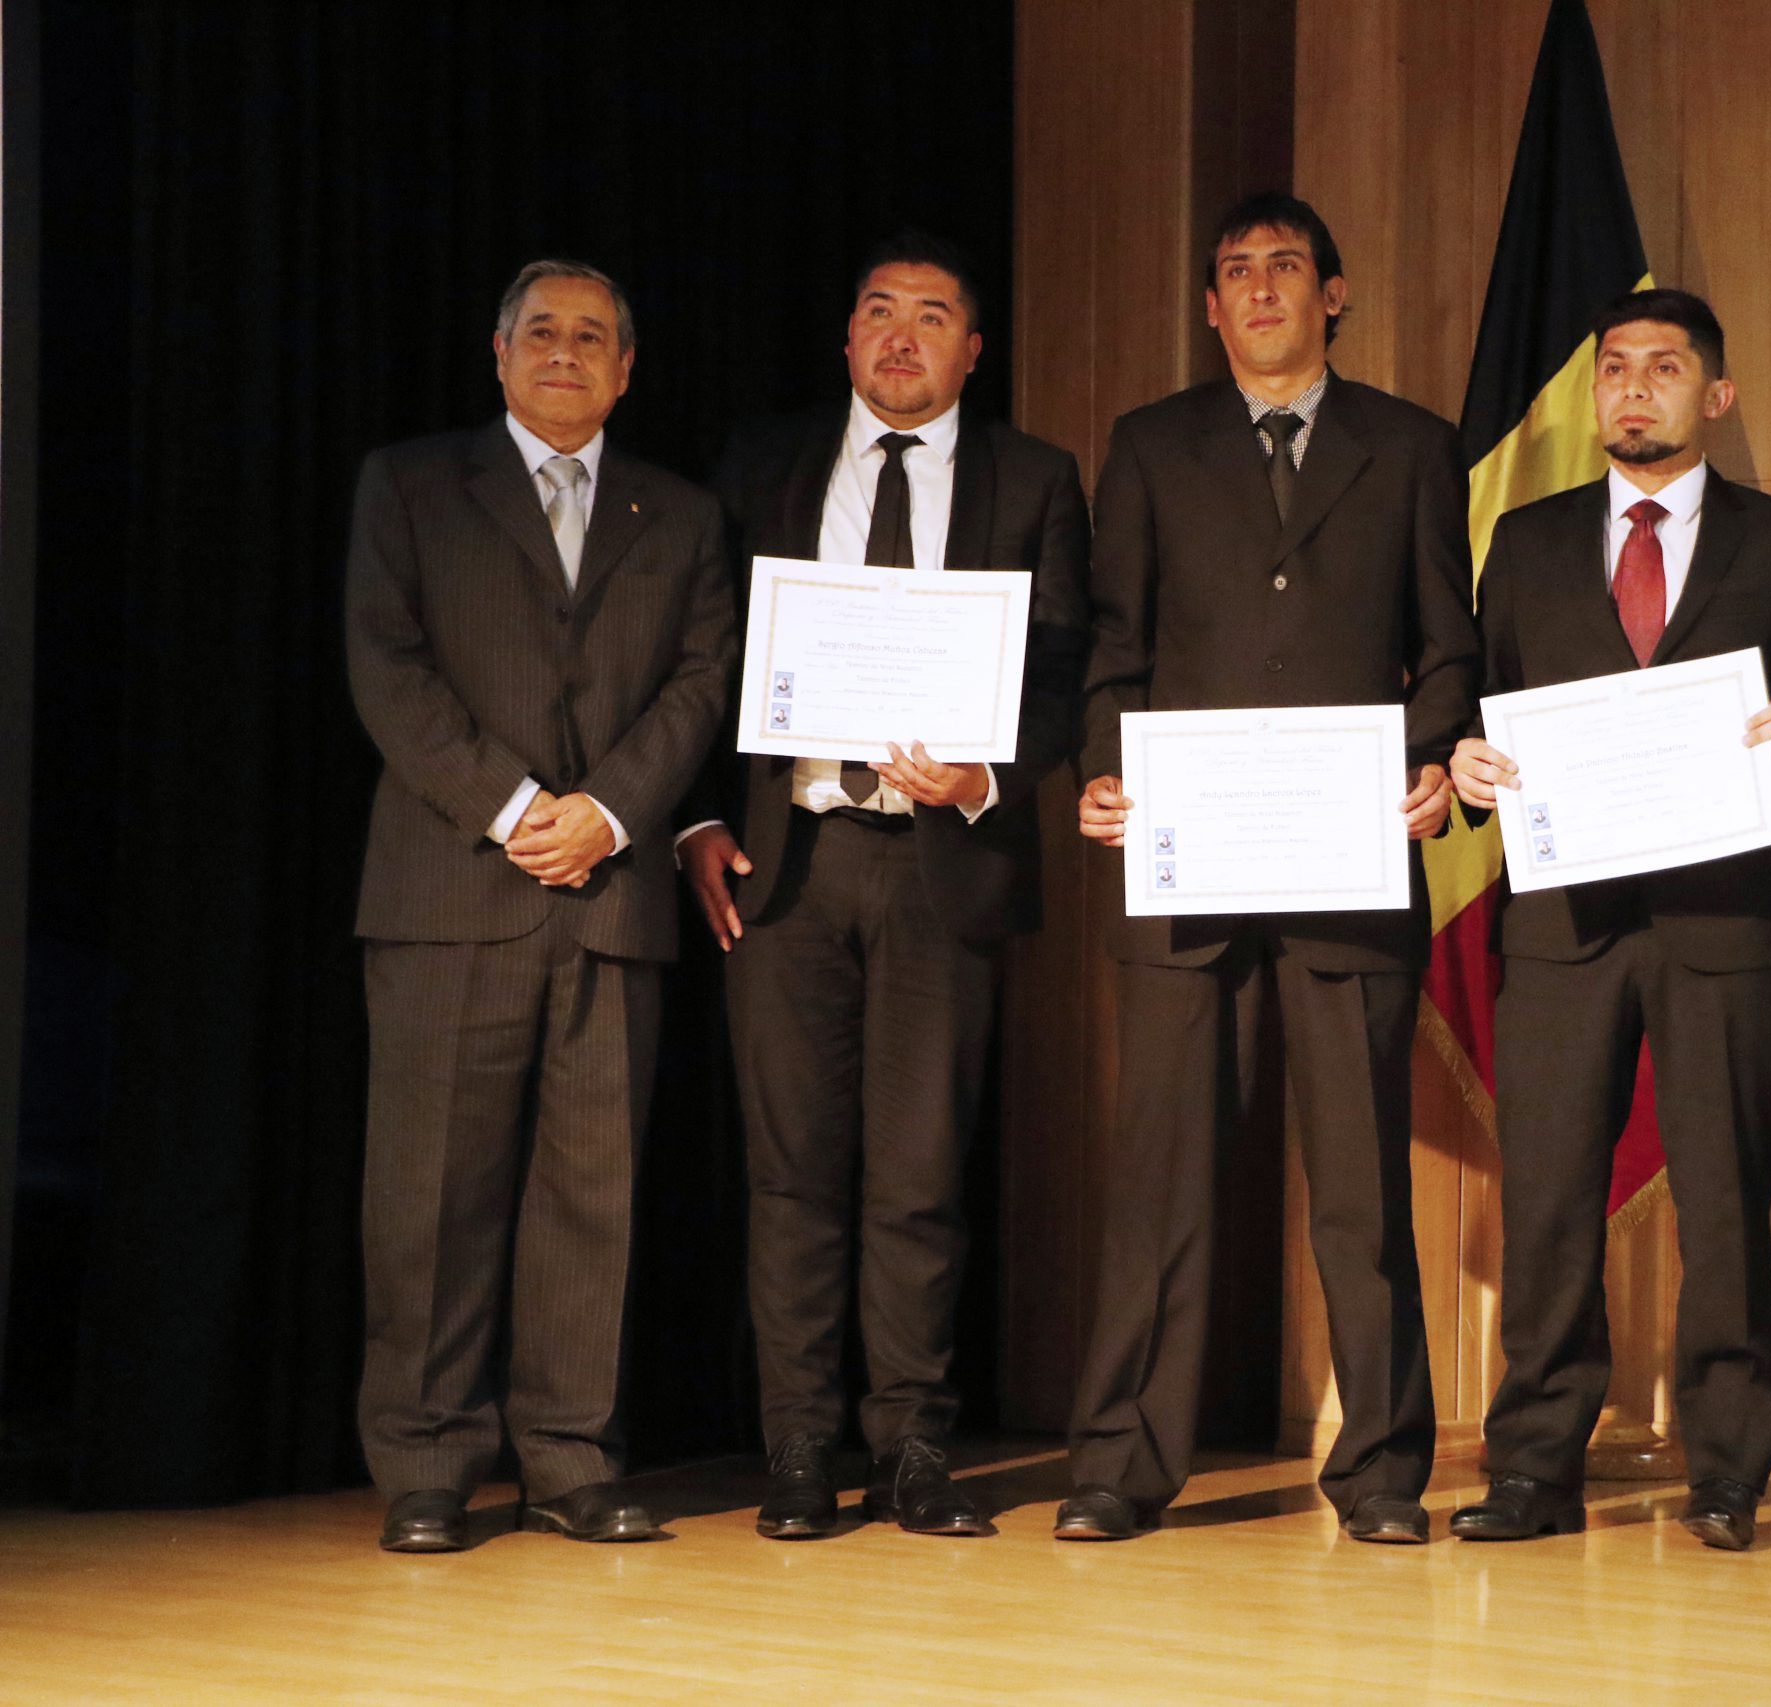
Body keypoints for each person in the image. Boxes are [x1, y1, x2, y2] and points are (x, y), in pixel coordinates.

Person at [1060, 192, 1477, 1544]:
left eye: (1284, 266)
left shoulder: (1411, 445)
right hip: (1187, 863)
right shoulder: (1151, 445)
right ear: (1209, 305)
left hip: (1348, 861)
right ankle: (1120, 1466)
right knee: (1163, 1181)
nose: (1257, 288)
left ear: (1332, 294)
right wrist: (1105, 768)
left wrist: (1429, 760)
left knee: (1360, 1187)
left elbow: (1449, 647)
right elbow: (1114, 646)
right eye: (1233, 269)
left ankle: (1383, 1471)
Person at [677, 232, 1090, 1539]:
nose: (902, 335)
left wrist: (984, 777)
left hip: (938, 865)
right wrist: (695, 816)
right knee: (791, 1174)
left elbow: (1065, 671)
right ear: (848, 338)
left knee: (919, 1176)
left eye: (932, 315)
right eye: (878, 311)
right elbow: (700, 653)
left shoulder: (1034, 478)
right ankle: (798, 1448)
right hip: (787, 863)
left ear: (974, 349)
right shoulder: (762, 465)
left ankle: (912, 1446)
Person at [1445, 287, 1771, 1549]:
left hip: (1725, 923)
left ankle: (1727, 1469)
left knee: (1725, 1201)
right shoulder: (1523, 539)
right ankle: (1533, 1466)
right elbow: (1477, 700)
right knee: (1549, 1202)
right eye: (1615, 366)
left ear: (1714, 396)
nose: (1633, 386)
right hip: (1562, 923)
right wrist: (1464, 759)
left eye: (1663, 366)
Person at [346, 260, 736, 1551]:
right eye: (543, 332)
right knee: (431, 1196)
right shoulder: (410, 485)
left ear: (626, 370)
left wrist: (608, 811)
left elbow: (700, 682)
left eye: (591, 336)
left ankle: (571, 1459)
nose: (565, 351)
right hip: (452, 886)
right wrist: (516, 807)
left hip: (610, 891)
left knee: (591, 1195)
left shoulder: (681, 514)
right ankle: (426, 1463)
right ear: (500, 353)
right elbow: (387, 670)